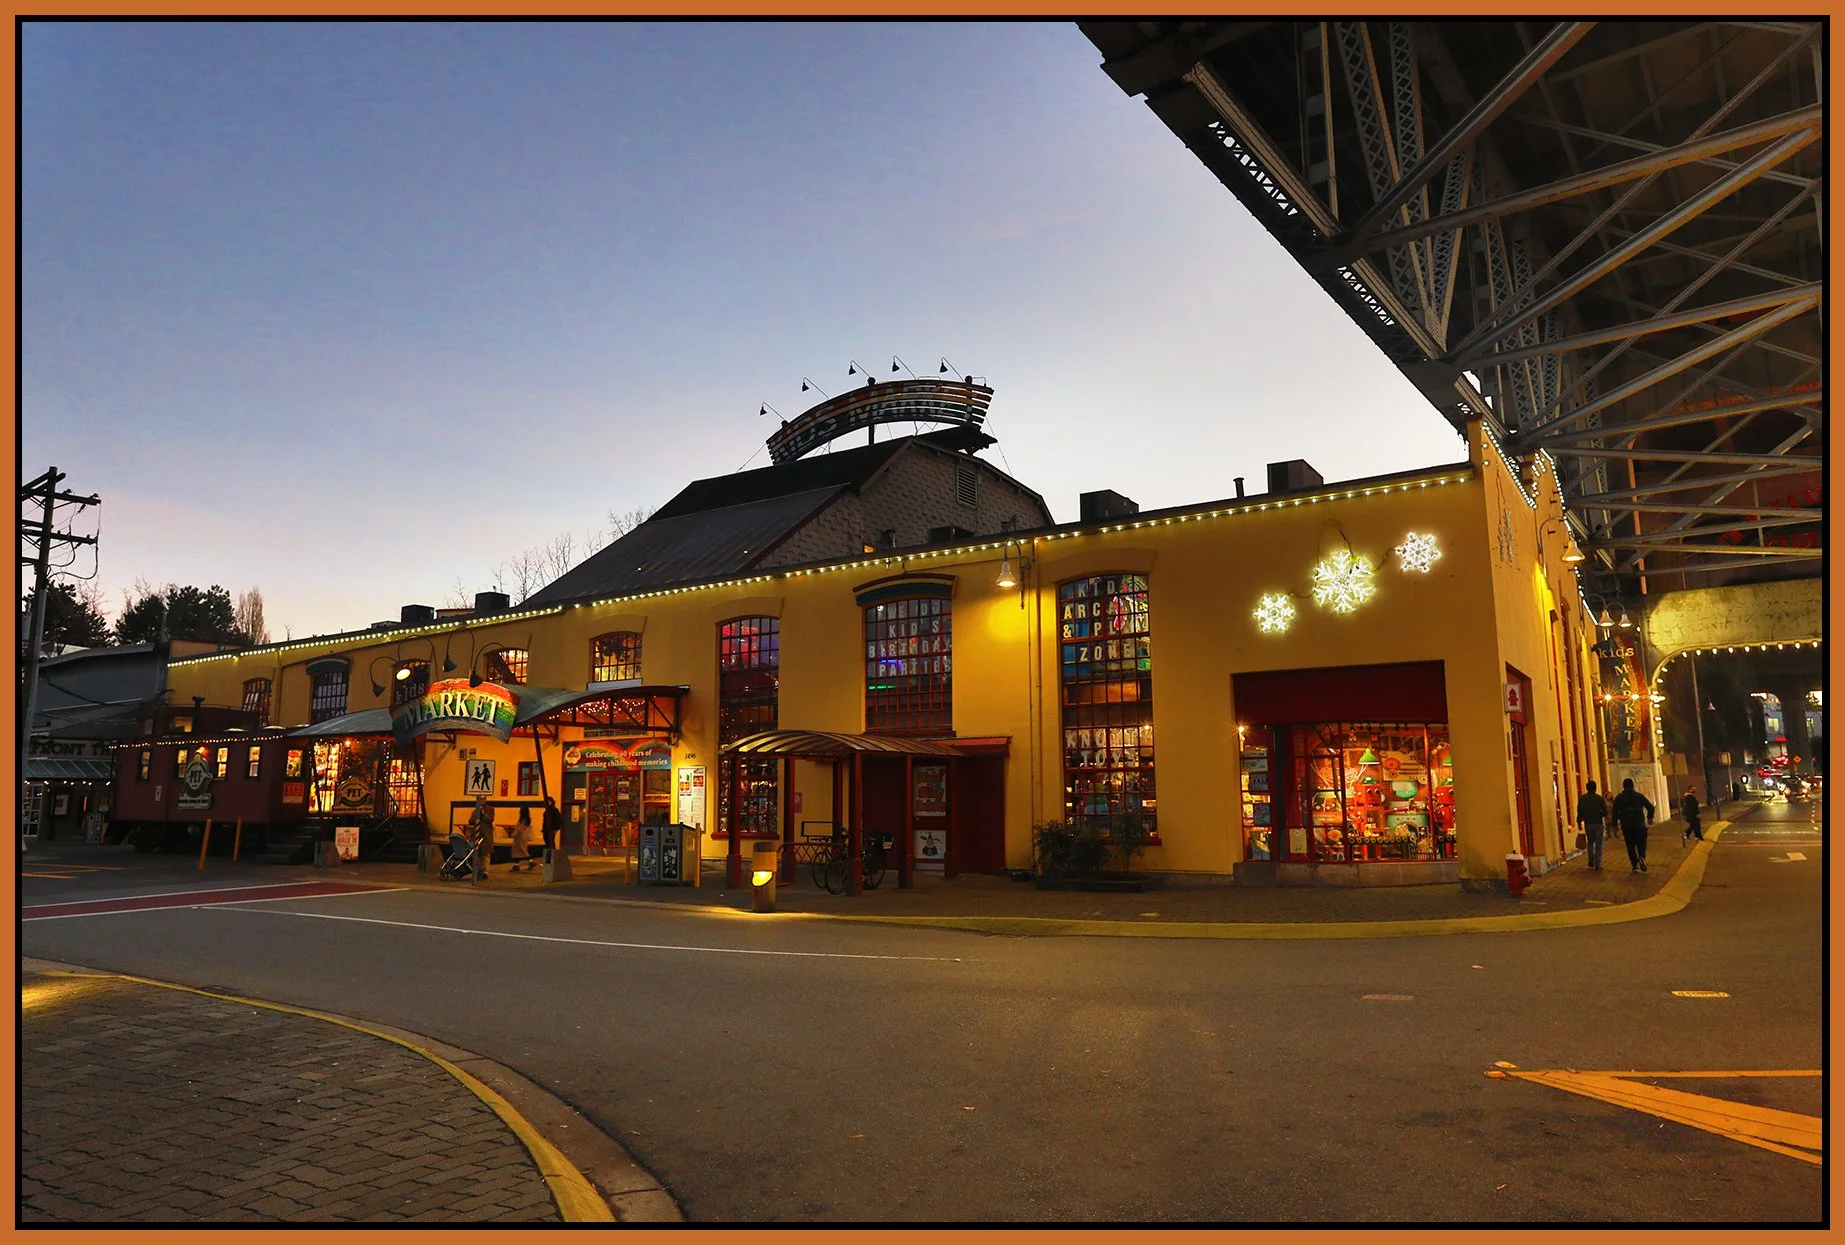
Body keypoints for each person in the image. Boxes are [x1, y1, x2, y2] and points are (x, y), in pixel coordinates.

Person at [1610, 778, 1655, 873]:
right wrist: (1650, 817)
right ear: (1633, 786)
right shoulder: (1639, 796)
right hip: (1640, 825)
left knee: (1630, 846)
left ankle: (1635, 865)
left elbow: (1614, 812)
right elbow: (1650, 807)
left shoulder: (1619, 798)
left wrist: (1614, 825)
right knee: (1641, 843)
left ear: (1623, 786)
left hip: (1627, 826)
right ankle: (1642, 856)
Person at [1576, 780, 1609, 871]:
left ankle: (1591, 860)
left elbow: (1580, 812)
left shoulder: (1582, 799)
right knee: (1598, 844)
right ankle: (1598, 863)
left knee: (1590, 842)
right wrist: (1600, 814)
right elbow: (1605, 812)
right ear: (1595, 788)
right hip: (1598, 823)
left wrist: (1579, 822)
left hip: (1588, 824)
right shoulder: (1600, 799)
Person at [465, 795, 494, 880]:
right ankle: (480, 870)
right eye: (481, 799)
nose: (483, 801)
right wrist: (476, 816)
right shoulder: (475, 811)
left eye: (484, 799)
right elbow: (470, 821)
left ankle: (486, 871)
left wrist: (483, 814)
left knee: (486, 853)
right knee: (478, 853)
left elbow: (490, 820)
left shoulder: (490, 809)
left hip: (486, 834)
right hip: (477, 834)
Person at [509, 806, 542, 871]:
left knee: (519, 852)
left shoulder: (522, 820)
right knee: (521, 851)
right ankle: (519, 864)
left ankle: (522, 864)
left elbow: (520, 829)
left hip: (519, 837)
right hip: (524, 837)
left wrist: (515, 834)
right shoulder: (527, 820)